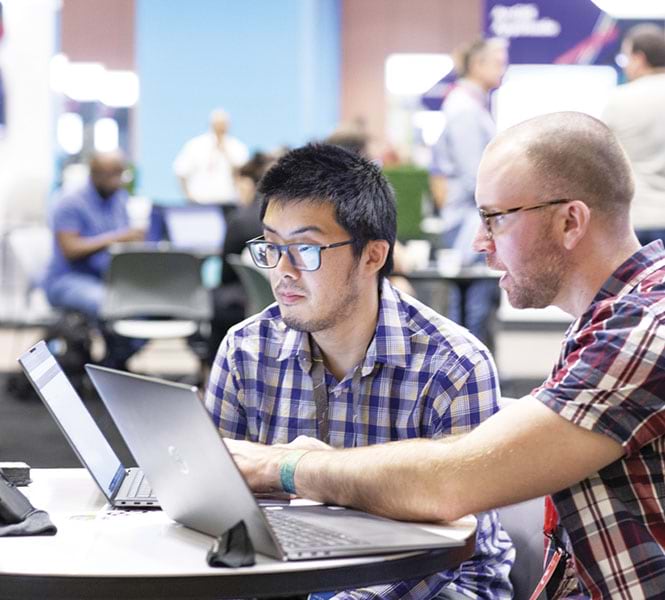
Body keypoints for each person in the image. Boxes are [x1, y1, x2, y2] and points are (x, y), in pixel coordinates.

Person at [227, 112, 665, 599]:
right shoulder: (605, 324)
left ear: (570, 220)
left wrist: (285, 466)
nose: (480, 242)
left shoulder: (647, 329)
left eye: (494, 218)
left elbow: (451, 481)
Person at [205, 143, 514, 599]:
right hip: (290, 571)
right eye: (271, 247)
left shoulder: (454, 364)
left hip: (438, 581)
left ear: (372, 256)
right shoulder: (245, 349)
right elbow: (216, 496)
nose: (283, 271)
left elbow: (451, 548)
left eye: (306, 249)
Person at [429, 37, 508, 350]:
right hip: (467, 221)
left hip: (469, 219)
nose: (503, 69)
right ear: (477, 65)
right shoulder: (464, 108)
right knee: (474, 308)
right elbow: (473, 174)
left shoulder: (470, 104)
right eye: (498, 62)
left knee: (472, 306)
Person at [43, 150, 145, 368]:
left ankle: (113, 363)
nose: (117, 181)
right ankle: (107, 367)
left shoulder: (119, 200)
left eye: (121, 175)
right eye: (111, 175)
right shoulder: (69, 202)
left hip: (106, 280)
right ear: (94, 175)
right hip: (68, 281)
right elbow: (70, 249)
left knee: (151, 303)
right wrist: (117, 238)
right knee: (108, 304)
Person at [602, 23, 665, 246]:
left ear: (639, 58)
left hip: (636, 218)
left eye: (626, 57)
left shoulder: (619, 100)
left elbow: (602, 158)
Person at [173, 108, 249, 205]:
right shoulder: (195, 145)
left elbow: (243, 175)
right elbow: (180, 172)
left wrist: (225, 152)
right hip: (200, 204)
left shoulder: (237, 147)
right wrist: (189, 198)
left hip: (229, 203)